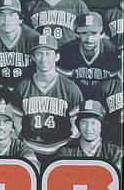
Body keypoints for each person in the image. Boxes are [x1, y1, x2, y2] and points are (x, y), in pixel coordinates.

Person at [9, 34, 83, 167]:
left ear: (57, 56)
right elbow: (16, 121)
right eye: (39, 54)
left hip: (61, 147)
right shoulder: (22, 87)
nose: (43, 58)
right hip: (30, 148)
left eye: (48, 54)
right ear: (32, 57)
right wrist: (23, 145)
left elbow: (76, 125)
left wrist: (68, 148)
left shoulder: (70, 88)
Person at [0, 0, 39, 95]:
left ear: (20, 19)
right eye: (2, 15)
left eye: (11, 15)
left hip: (28, 90)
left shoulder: (33, 39)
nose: (6, 20)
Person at [57, 11, 118, 101]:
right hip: (76, 100)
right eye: (84, 33)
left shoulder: (111, 52)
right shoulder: (67, 51)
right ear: (77, 34)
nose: (89, 39)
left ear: (102, 34)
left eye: (93, 33)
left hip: (104, 102)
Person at [57, 99, 122, 167]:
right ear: (78, 124)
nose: (88, 128)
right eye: (84, 122)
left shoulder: (113, 151)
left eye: (93, 123)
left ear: (102, 125)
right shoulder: (67, 151)